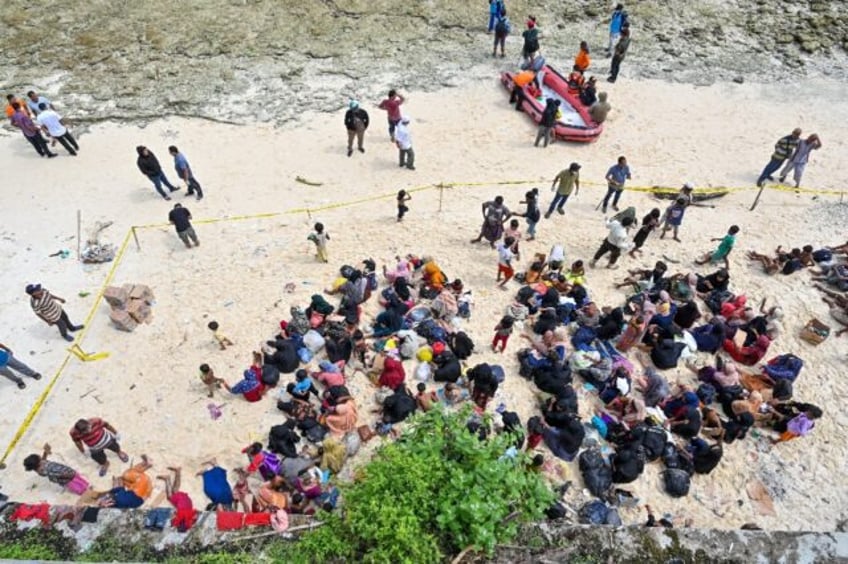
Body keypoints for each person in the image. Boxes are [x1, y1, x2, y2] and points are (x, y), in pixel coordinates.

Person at [24, 443, 90, 495]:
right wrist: (69, 475)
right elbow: (57, 475)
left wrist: (45, 452)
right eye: (39, 458)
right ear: (38, 463)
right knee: (77, 485)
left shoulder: (40, 464)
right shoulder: (43, 471)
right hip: (66, 478)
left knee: (80, 480)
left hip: (66, 471)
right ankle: (83, 492)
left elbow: (44, 459)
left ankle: (87, 487)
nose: (41, 457)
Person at [157, 466, 197, 532]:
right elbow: (174, 517)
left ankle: (177, 471)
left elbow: (193, 517)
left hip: (187, 504)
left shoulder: (188, 523)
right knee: (170, 496)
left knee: (175, 491)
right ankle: (167, 478)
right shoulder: (182, 521)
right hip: (182, 505)